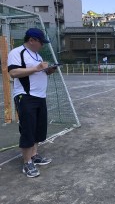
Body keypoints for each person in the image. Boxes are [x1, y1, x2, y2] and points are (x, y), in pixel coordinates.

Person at [7, 28, 57, 177]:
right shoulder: (17, 52)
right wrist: (36, 68)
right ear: (32, 40)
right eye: (41, 42)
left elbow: (39, 71)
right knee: (28, 129)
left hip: (40, 96)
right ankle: (27, 162)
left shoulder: (37, 55)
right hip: (26, 96)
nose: (42, 45)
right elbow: (13, 72)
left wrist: (48, 70)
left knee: (38, 128)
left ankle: (34, 155)